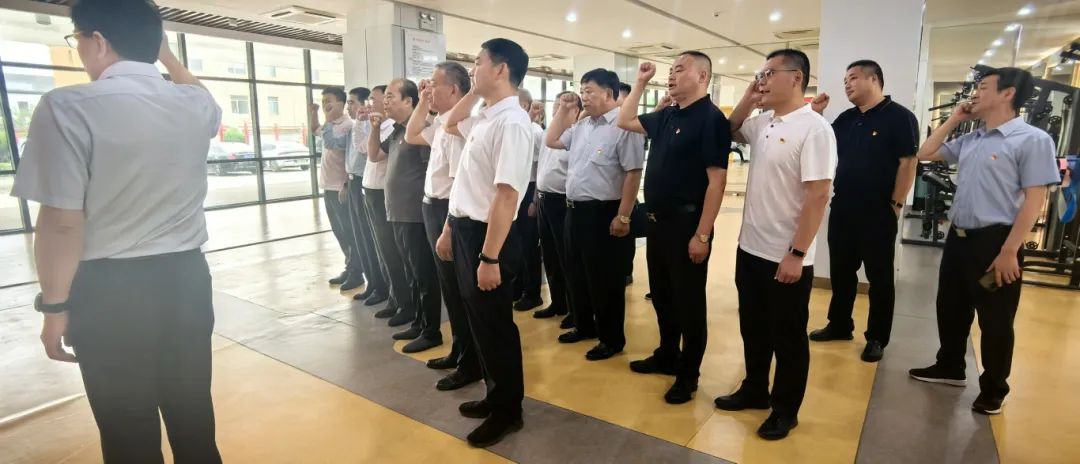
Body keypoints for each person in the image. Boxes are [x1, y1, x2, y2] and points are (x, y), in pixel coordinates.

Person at [12, 0, 222, 460]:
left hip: (110, 292)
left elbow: (62, 223)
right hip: (186, 282)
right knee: (193, 418)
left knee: (128, 433)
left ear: (99, 41)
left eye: (78, 39)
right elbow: (201, 94)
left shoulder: (67, 107)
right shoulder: (194, 105)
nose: (79, 49)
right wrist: (166, 55)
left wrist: (55, 308)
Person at [909, 67, 1059, 415]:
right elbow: (926, 152)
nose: (975, 93)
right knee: (950, 307)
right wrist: (954, 119)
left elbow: (1035, 200)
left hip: (996, 243)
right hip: (959, 239)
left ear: (1008, 93)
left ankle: (994, 388)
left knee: (995, 319)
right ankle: (950, 367)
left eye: (984, 87)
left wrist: (1010, 251)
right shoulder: (973, 138)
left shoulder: (1033, 140)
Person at [716, 49, 836, 440]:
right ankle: (755, 388)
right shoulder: (763, 122)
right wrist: (749, 97)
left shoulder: (814, 128)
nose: (762, 80)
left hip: (786, 256)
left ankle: (785, 410)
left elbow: (818, 195)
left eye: (769, 73)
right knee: (753, 327)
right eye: (760, 74)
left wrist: (797, 254)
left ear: (796, 77)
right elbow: (728, 130)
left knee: (788, 337)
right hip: (750, 247)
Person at [616, 53, 729, 404]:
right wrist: (640, 82)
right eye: (671, 70)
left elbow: (717, 181)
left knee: (689, 303)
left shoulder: (710, 119)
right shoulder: (668, 114)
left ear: (703, 76)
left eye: (680, 69)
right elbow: (625, 119)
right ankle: (667, 353)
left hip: (687, 225)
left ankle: (688, 374)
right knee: (663, 295)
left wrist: (702, 234)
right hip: (657, 223)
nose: (672, 75)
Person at [437, 37, 532, 448]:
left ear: (501, 68)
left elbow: (506, 195)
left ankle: (508, 411)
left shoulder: (512, 123)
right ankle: (495, 396)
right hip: (466, 229)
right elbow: (449, 122)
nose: (472, 69)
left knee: (496, 328)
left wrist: (490, 257)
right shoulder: (486, 117)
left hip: (489, 237)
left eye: (478, 63)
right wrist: (449, 228)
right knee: (479, 322)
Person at [807, 60, 919, 363]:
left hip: (878, 212)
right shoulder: (846, 119)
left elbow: (908, 162)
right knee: (842, 272)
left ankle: (877, 337)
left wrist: (896, 205)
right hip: (844, 207)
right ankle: (840, 325)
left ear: (874, 79)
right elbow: (822, 144)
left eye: (853, 78)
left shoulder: (900, 117)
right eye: (845, 79)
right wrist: (816, 114)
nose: (847, 84)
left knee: (879, 278)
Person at [548, 68, 645, 362]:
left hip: (603, 213)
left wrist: (623, 216)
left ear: (609, 93)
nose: (584, 96)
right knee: (576, 272)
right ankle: (584, 325)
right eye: (582, 91)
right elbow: (552, 140)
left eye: (589, 91)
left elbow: (633, 173)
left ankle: (611, 338)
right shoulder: (582, 125)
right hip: (574, 211)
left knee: (604, 280)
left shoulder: (624, 126)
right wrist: (563, 110)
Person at [403, 62, 482, 389]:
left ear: (453, 89)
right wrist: (423, 101)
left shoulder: (459, 128)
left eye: (434, 84)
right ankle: (459, 351)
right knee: (449, 288)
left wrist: (448, 229)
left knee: (459, 291)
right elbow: (410, 135)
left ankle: (470, 362)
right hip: (432, 208)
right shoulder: (440, 124)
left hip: (448, 211)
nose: (429, 88)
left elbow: (458, 186)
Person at [369, 78, 443, 352]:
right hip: (398, 214)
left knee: (424, 275)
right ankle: (418, 322)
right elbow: (374, 155)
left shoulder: (420, 130)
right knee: (412, 273)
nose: (385, 101)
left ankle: (431, 331)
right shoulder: (398, 131)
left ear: (409, 101)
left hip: (415, 216)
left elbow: (430, 173)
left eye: (390, 96)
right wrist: (374, 127)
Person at [533, 91, 582, 331]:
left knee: (567, 258)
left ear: (576, 111)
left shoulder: (576, 137)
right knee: (550, 256)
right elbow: (541, 169)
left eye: (564, 107)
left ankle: (575, 309)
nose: (557, 112)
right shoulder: (548, 136)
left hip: (562, 202)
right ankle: (558, 302)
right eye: (556, 107)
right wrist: (535, 199)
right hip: (544, 200)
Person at [362, 85, 410, 322]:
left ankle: (404, 302)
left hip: (386, 194)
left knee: (393, 252)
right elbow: (371, 154)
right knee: (382, 251)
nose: (372, 103)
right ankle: (394, 298)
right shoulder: (379, 125)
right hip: (371, 191)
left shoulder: (396, 127)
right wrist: (373, 127)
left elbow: (379, 157)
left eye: (377, 98)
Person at [309, 87, 363, 291]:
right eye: (323, 102)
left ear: (341, 102)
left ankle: (356, 272)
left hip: (341, 188)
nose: (326, 105)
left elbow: (337, 148)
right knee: (339, 231)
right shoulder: (329, 124)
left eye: (329, 101)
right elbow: (315, 131)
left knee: (349, 231)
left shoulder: (348, 125)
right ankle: (350, 267)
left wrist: (346, 185)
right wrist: (314, 113)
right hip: (328, 187)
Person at [345, 87, 390, 304]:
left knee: (381, 246)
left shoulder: (391, 127)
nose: (370, 104)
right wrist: (360, 122)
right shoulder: (374, 125)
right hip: (365, 188)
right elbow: (361, 146)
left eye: (374, 99)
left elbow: (370, 154)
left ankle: (384, 289)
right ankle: (374, 284)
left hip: (381, 192)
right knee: (365, 239)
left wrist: (369, 125)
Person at [512, 89, 545, 312]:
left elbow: (540, 167)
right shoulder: (515, 127)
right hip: (514, 189)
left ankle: (533, 293)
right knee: (515, 244)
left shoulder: (535, 131)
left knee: (529, 244)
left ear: (524, 105)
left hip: (529, 190)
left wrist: (534, 200)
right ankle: (517, 287)